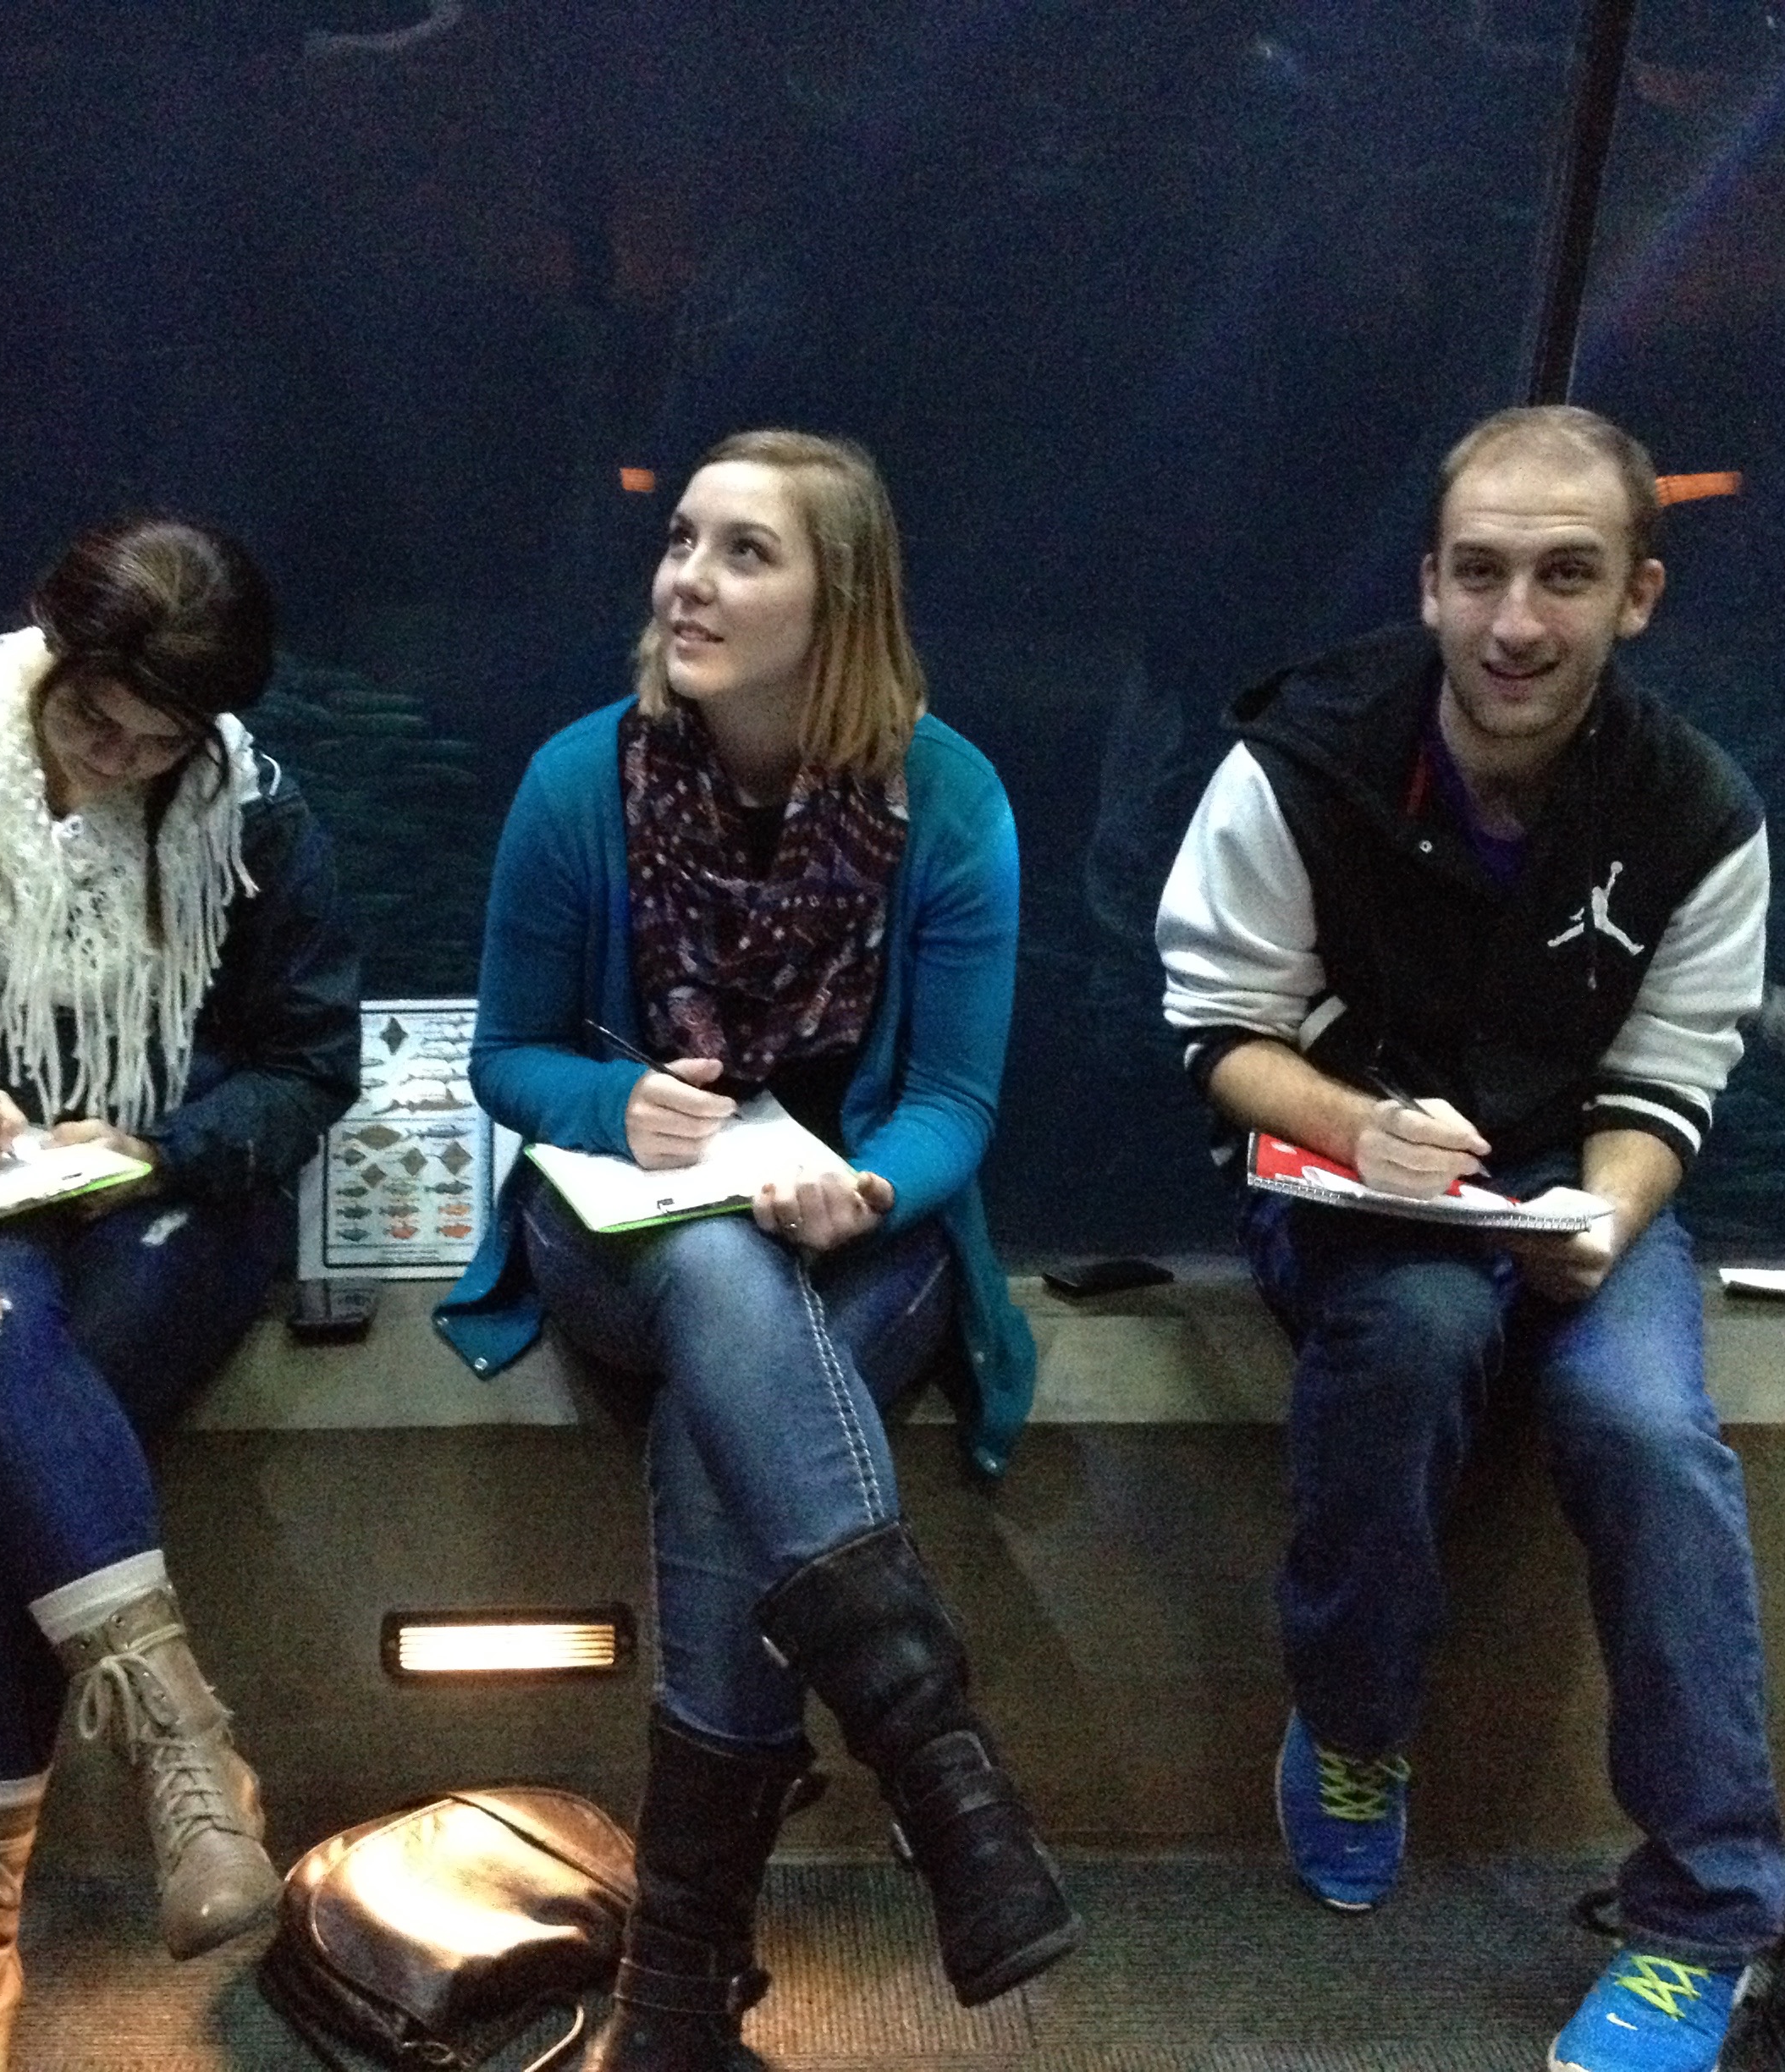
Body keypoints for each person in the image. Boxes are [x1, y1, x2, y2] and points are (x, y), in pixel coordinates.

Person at [1155, 405, 1785, 2072]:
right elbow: (1219, 1028)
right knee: (1423, 1325)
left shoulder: (1699, 810)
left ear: (1636, 595)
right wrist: (1358, 1129)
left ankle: (1708, 1921)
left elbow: (1668, 1080)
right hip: (1348, 1168)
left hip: (1577, 1172)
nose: (1518, 621)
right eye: (1483, 573)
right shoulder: (1300, 763)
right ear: (1430, 583)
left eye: (1566, 576)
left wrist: (1606, 1220)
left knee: (1644, 1425)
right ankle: (1355, 1724)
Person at [437, 429, 1080, 2069]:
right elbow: (504, 1057)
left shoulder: (952, 801)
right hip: (622, 1232)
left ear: (839, 600)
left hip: (859, 1243)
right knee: (721, 1274)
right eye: (683, 543)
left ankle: (675, 2004)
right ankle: (936, 1765)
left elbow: (951, 1105)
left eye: (744, 552)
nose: (690, 582)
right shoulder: (578, 781)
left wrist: (864, 1189)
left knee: (725, 1441)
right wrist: (617, 1102)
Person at [0, 518, 361, 2072]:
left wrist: (162, 1145)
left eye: (159, 745)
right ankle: (182, 1744)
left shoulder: (253, 811)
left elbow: (312, 1066)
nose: (118, 763)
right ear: (50, 652)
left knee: (2, 1429)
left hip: (173, 1198)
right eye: (94, 721)